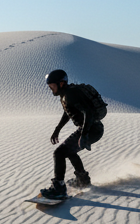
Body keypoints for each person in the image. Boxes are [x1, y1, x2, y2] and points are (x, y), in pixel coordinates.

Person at [39, 69, 108, 201]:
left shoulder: (70, 94)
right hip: (91, 128)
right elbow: (68, 111)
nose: (50, 88)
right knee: (68, 151)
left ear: (61, 83)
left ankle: (59, 188)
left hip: (91, 129)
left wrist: (84, 134)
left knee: (59, 153)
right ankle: (82, 180)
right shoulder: (66, 94)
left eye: (52, 85)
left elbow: (88, 112)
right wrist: (57, 129)